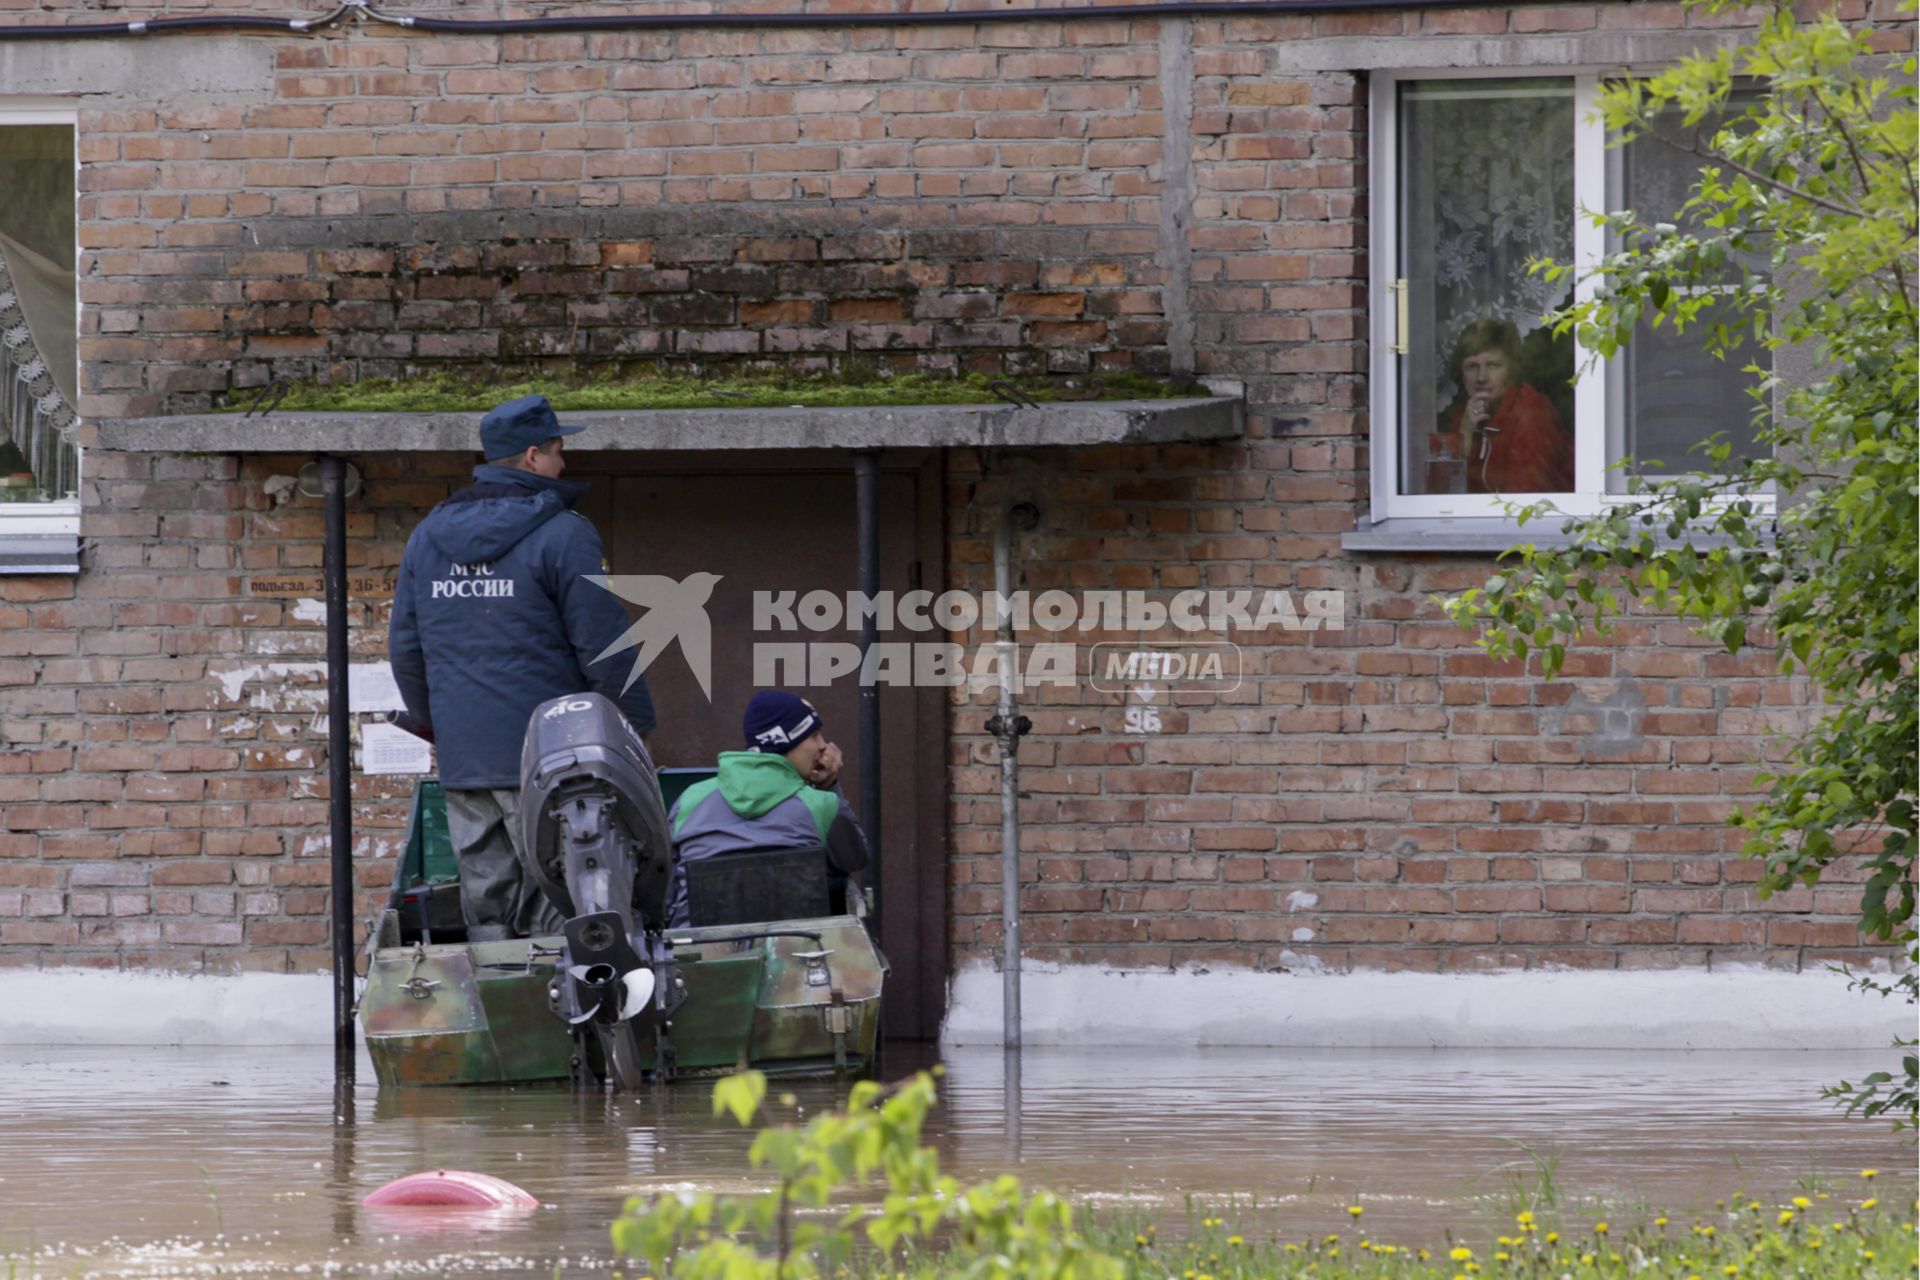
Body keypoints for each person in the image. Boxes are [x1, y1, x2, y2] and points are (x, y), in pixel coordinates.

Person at [389, 394, 657, 941]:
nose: (564, 465)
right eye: (559, 452)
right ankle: (565, 1019)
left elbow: (405, 650)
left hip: (467, 761)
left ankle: (504, 1017)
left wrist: (439, 726)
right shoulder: (563, 533)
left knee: (486, 907)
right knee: (559, 899)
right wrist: (632, 729)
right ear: (533, 456)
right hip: (551, 758)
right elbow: (604, 642)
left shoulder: (426, 538)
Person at [664, 691, 870, 929]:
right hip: (797, 951)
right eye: (813, 735)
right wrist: (829, 787)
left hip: (697, 954)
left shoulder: (690, 800)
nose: (823, 746)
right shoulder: (820, 805)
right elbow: (853, 859)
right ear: (785, 742)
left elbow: (665, 893)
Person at [1428, 318, 1575, 494]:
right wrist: (1465, 434)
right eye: (1472, 366)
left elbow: (1525, 495)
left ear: (1512, 369)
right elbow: (1441, 495)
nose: (1482, 377)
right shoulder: (1465, 414)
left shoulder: (1531, 411)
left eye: (1493, 365)